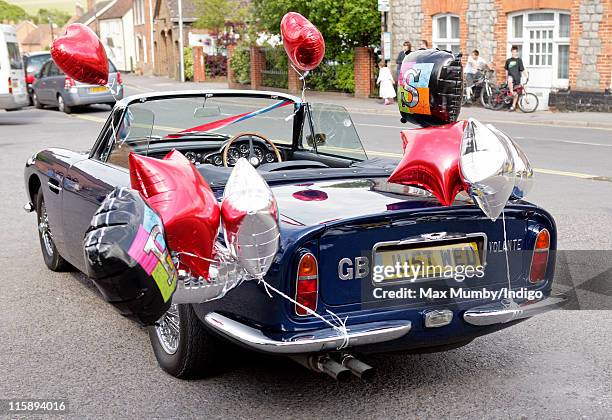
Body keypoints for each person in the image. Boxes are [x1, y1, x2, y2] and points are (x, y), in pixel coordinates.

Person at [504, 45, 525, 111]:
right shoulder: (508, 60)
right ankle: (511, 92)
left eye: (515, 52)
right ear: (511, 52)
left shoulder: (519, 60)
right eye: (512, 52)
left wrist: (526, 76)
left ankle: (513, 106)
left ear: (517, 52)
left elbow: (522, 69)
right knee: (510, 79)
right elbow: (506, 70)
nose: (514, 53)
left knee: (516, 94)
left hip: (517, 79)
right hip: (511, 77)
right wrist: (506, 78)